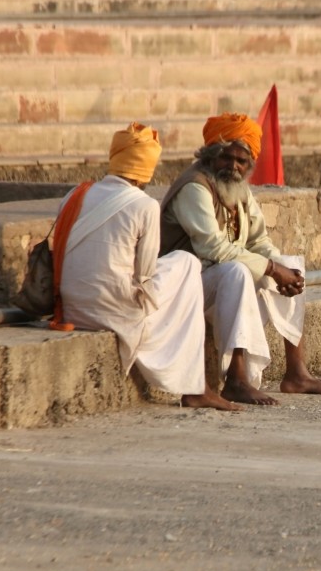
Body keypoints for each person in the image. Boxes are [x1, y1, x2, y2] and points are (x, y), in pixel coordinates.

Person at [159, 112, 321, 405]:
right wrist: (271, 269)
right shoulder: (194, 188)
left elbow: (258, 241)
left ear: (249, 165)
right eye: (226, 158)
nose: (233, 166)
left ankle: (296, 372)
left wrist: (282, 269)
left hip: (215, 280)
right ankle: (235, 379)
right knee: (237, 272)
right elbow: (214, 249)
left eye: (241, 161)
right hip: (185, 287)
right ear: (210, 156)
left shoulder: (239, 189)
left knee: (291, 265)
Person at [58, 121, 239, 411]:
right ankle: (196, 388)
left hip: (68, 307)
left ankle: (197, 385)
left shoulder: (74, 195)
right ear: (146, 171)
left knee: (183, 272)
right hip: (112, 311)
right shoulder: (144, 205)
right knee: (188, 264)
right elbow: (145, 279)